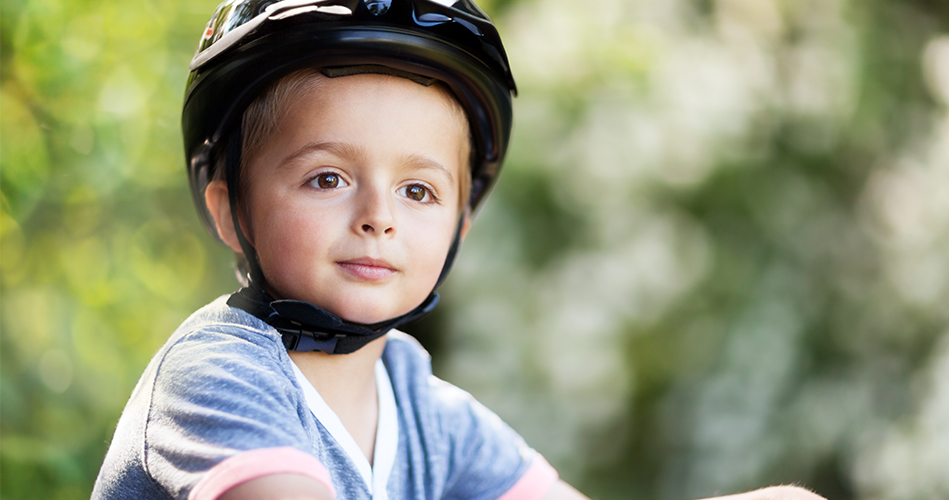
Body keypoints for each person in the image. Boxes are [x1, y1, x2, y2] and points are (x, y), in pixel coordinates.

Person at [92, 1, 828, 499]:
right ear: (229, 209)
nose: (378, 216)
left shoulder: (423, 408)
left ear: (459, 226)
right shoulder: (215, 376)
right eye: (327, 178)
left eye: (418, 191)